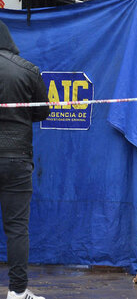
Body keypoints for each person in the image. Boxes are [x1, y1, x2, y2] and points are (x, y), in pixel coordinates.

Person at [0, 20, 49, 299]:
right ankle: (17, 293)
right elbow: (43, 112)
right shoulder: (27, 70)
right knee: (17, 228)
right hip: (17, 158)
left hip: (16, 157)